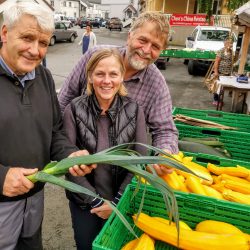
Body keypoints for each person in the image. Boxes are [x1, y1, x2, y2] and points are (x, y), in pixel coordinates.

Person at [0, 3, 95, 250]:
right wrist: (1, 177)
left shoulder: (43, 77)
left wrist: (69, 155)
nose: (35, 50)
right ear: (4, 33)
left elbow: (54, 132)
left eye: (43, 42)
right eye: (27, 38)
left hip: (34, 199)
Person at [59, 11, 179, 174]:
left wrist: (165, 153)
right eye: (142, 40)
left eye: (155, 47)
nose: (146, 50)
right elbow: (63, 103)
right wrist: (64, 151)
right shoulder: (95, 57)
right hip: (82, 172)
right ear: (129, 36)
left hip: (124, 177)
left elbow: (165, 129)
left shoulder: (156, 83)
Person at [63, 48, 147, 250]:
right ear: (90, 76)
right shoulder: (74, 109)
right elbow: (68, 161)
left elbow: (141, 159)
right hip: (85, 204)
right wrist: (95, 202)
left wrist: (117, 202)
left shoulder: (134, 110)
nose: (106, 80)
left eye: (113, 74)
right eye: (100, 74)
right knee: (87, 246)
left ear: (121, 77)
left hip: (122, 201)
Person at [212, 36, 234, 106]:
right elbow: (217, 62)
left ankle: (220, 100)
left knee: (222, 88)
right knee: (217, 86)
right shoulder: (221, 51)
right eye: (229, 43)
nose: (230, 45)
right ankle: (216, 100)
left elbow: (232, 61)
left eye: (231, 43)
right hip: (220, 72)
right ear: (225, 43)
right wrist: (216, 72)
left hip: (227, 73)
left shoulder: (231, 52)